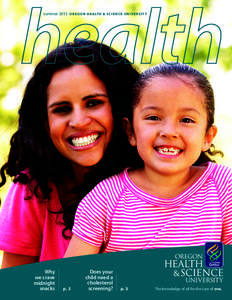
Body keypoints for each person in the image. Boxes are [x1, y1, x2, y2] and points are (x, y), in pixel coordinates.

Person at [64, 62, 232, 257]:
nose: (169, 132)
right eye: (153, 117)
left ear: (207, 138)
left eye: (186, 120)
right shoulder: (104, 199)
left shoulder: (223, 187)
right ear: (131, 131)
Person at [0, 38, 141, 267]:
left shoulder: (160, 181)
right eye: (62, 109)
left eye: (93, 103)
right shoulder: (34, 188)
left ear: (121, 107)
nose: (78, 121)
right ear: (44, 123)